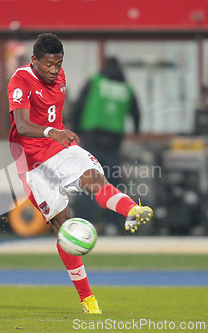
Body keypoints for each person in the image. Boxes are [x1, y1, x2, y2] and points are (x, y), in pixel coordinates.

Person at [7, 33, 152, 314]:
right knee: (63, 226)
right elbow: (22, 126)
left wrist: (61, 136)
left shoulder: (60, 78)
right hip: (30, 162)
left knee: (94, 179)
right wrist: (54, 131)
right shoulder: (20, 80)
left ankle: (132, 210)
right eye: (49, 64)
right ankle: (87, 299)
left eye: (59, 64)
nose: (54, 70)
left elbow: (56, 114)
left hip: (59, 147)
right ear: (35, 60)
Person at [71, 56, 141, 235]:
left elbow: (78, 106)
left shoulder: (95, 82)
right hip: (114, 142)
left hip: (92, 139)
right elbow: (136, 112)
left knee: (89, 182)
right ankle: (112, 224)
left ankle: (85, 222)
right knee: (112, 183)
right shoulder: (126, 89)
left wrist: (75, 130)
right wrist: (136, 132)